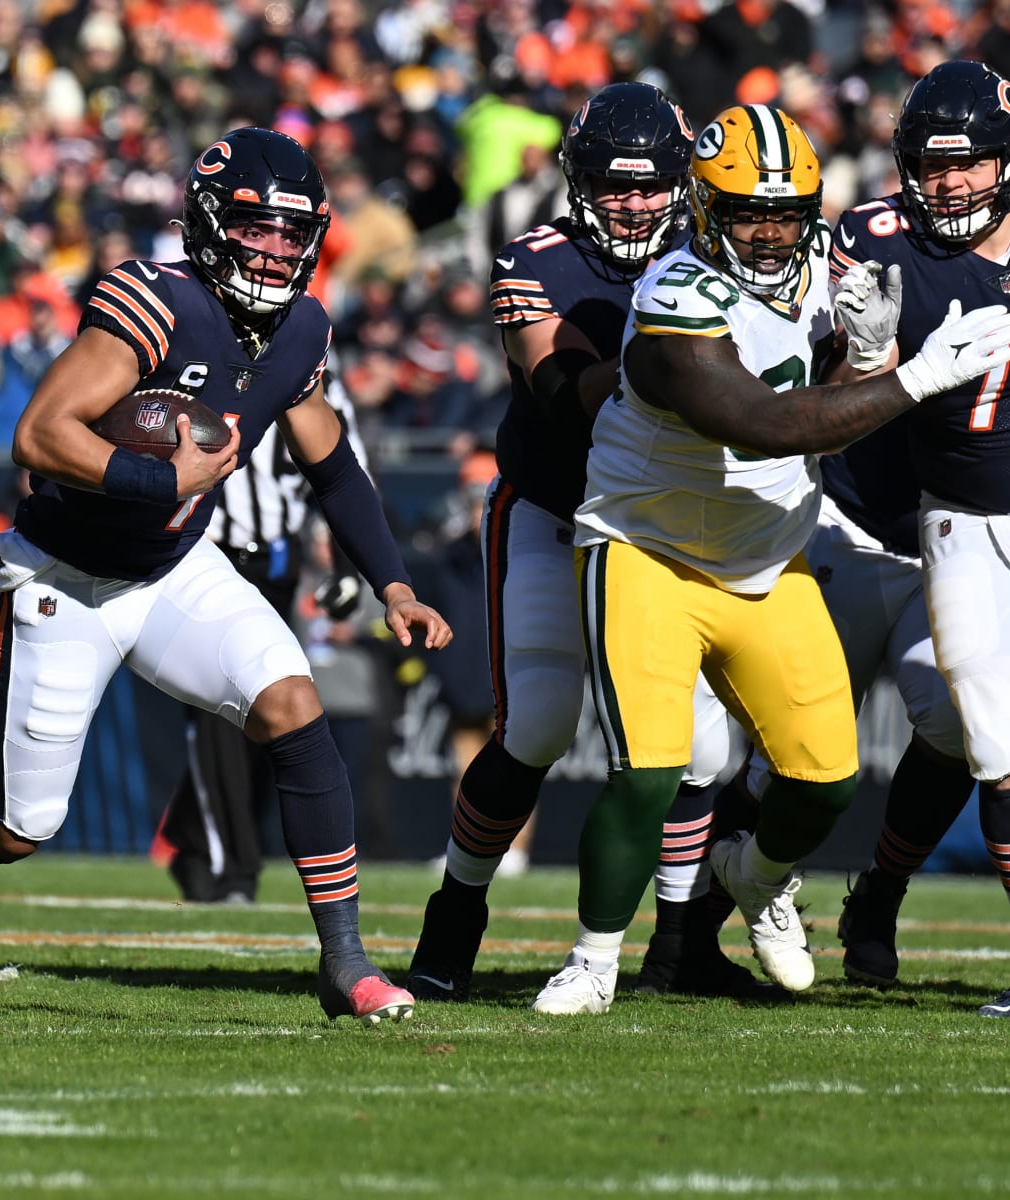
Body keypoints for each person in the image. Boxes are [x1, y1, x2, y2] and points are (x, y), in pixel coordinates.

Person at [0, 128, 452, 1024]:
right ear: (209, 223)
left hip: (173, 569)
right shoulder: (154, 298)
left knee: (294, 706)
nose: (276, 249)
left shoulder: (302, 326)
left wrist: (392, 581)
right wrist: (162, 477)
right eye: (255, 227)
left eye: (292, 233)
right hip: (66, 580)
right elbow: (40, 433)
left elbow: (330, 460)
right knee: (16, 829)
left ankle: (345, 962)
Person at [531, 103, 1010, 1015]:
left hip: (766, 558)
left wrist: (863, 356)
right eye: (750, 210)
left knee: (825, 780)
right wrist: (909, 377)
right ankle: (592, 962)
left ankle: (755, 876)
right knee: (648, 772)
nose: (770, 229)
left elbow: (819, 402)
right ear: (706, 208)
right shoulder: (675, 290)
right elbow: (759, 426)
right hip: (649, 551)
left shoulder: (824, 276)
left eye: (788, 212)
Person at [408, 83, 752, 1004]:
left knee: (701, 747)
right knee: (541, 722)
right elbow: (558, 389)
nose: (635, 204)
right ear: (577, 182)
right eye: (615, 186)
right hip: (556, 512)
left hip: (663, 526)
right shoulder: (538, 258)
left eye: (652, 188)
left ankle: (678, 942)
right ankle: (458, 911)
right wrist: (666, 362)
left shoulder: (718, 252)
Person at [827, 61, 1010, 1018]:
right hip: (934, 515)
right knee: (985, 733)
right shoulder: (876, 238)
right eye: (930, 167)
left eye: (970, 165)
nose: (949, 185)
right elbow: (826, 381)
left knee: (974, 733)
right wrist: (868, 352)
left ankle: (881, 897)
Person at [154, 374, 370, 906]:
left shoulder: (321, 385)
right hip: (206, 555)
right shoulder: (208, 368)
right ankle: (234, 870)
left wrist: (347, 563)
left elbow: (345, 473)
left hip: (276, 564)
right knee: (216, 719)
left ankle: (194, 840)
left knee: (261, 715)